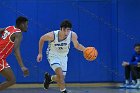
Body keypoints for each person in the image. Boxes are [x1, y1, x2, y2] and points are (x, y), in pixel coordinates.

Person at [37, 20, 86, 93]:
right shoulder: (52, 35)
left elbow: (77, 45)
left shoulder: (72, 35)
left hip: (63, 56)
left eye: (68, 30)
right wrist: (40, 53)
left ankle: (49, 78)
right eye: (64, 30)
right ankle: (63, 91)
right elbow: (42, 39)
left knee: (61, 77)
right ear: (60, 29)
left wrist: (85, 50)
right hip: (53, 55)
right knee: (60, 74)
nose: (66, 33)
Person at [0, 16, 29, 91]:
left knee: (11, 79)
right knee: (11, 80)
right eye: (26, 24)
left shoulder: (9, 27)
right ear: (22, 24)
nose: (27, 27)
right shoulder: (18, 33)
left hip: (1, 58)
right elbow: (16, 50)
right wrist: (22, 66)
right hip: (0, 57)